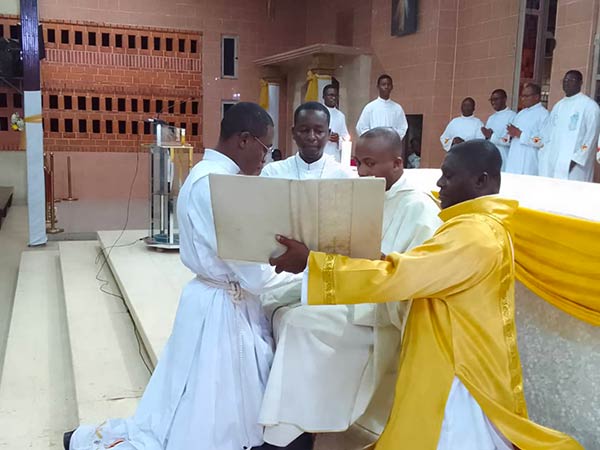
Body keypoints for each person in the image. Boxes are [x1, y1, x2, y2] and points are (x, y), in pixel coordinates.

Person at [270, 139, 583, 450]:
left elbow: (400, 276)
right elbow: (413, 268)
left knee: (453, 434)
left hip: (458, 365)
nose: (439, 183)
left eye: (449, 176)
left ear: (480, 181)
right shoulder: (477, 226)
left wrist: (313, 263)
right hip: (457, 351)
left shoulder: (474, 234)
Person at [65, 103, 298, 450]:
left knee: (194, 397)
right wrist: (308, 271)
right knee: (209, 407)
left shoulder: (204, 175)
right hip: (222, 308)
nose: (266, 158)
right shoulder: (221, 187)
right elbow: (254, 276)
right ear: (244, 140)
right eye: (265, 148)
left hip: (212, 298)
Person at [259, 126, 441, 448]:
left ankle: (293, 429)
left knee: (300, 323)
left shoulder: (419, 208)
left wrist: (318, 264)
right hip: (347, 289)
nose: (364, 172)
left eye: (371, 163)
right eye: (359, 163)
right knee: (271, 302)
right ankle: (287, 416)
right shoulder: (363, 196)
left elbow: (406, 280)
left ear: (397, 163)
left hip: (378, 312)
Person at [261, 102, 352, 179]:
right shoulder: (273, 173)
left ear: (328, 134)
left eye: (319, 131)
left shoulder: (343, 175)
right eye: (304, 130)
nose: (311, 137)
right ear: (293, 133)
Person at [537, 70, 600, 181]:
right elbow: (549, 134)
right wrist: (545, 154)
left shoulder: (590, 106)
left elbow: (591, 138)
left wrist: (577, 158)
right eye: (565, 80)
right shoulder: (559, 106)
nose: (567, 83)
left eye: (571, 80)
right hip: (554, 162)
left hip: (576, 166)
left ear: (580, 83)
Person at [504, 83, 549, 175]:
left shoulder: (544, 115)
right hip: (514, 161)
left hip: (529, 163)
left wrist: (521, 135)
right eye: (522, 96)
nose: (523, 99)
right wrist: (510, 135)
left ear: (536, 97)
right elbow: (512, 136)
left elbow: (541, 141)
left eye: (526, 96)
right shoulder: (521, 114)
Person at [356, 74, 408, 139]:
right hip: (374, 143)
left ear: (392, 87)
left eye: (388, 84)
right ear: (378, 87)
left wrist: (393, 138)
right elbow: (361, 127)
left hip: (391, 143)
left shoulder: (397, 108)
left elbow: (402, 127)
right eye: (383, 84)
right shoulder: (370, 107)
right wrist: (372, 138)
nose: (386, 87)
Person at [481, 89, 516, 170]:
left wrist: (492, 136)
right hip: (490, 157)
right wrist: (486, 136)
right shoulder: (491, 118)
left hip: (504, 156)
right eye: (491, 100)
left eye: (496, 99)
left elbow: (509, 141)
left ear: (504, 99)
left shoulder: (512, 116)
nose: (493, 102)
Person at [322, 84, 350, 163]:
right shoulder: (318, 112)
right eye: (330, 95)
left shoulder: (340, 116)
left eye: (335, 96)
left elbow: (346, 138)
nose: (333, 98)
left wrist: (338, 139)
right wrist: (324, 136)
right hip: (320, 153)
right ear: (323, 97)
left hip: (334, 156)